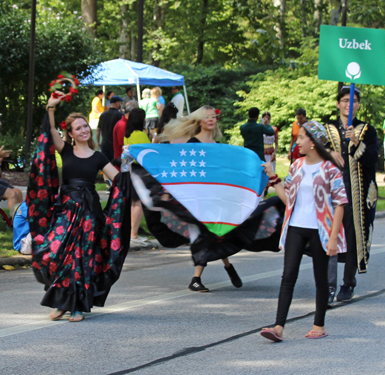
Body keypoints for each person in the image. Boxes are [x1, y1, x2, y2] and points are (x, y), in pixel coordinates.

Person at [27, 91, 131, 322]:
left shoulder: (98, 157)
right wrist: (51, 107)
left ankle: (76, 306)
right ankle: (62, 302)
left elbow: (118, 180)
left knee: (82, 257)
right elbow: (49, 132)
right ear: (71, 133)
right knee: (60, 253)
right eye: (78, 128)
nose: (84, 130)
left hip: (89, 211)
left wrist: (126, 163)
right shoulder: (65, 150)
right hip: (66, 210)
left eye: (85, 126)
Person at [259, 121, 347, 342]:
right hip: (296, 227)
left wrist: (334, 238)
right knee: (288, 276)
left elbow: (340, 204)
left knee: (320, 278)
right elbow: (288, 199)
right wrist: (273, 177)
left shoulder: (330, 169)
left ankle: (319, 325)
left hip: (321, 229)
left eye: (301, 138)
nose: (297, 142)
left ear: (314, 142)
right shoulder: (296, 165)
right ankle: (278, 327)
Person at [162, 106, 242, 292]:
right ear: (199, 121)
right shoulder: (192, 144)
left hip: (218, 197)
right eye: (207, 117)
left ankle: (228, 266)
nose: (211, 120)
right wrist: (169, 191)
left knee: (218, 232)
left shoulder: (218, 145)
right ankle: (196, 278)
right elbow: (183, 171)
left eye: (214, 117)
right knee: (208, 234)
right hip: (200, 198)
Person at [324, 86, 379, 304]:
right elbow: (310, 150)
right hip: (331, 190)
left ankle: (348, 283)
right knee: (331, 235)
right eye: (345, 100)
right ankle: (328, 285)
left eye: (354, 101)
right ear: (338, 103)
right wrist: (330, 152)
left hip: (358, 191)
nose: (349, 104)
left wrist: (356, 142)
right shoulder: (326, 127)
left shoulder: (367, 130)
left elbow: (372, 159)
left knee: (355, 235)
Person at [124, 108, 151, 248]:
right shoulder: (141, 134)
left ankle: (131, 233)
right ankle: (133, 234)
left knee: (133, 203)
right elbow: (149, 152)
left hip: (130, 169)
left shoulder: (127, 134)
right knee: (138, 204)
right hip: (140, 170)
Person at [97, 95, 124, 171]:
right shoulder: (120, 115)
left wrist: (98, 142)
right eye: (120, 103)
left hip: (104, 144)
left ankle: (107, 182)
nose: (121, 104)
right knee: (116, 167)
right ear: (117, 103)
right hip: (115, 146)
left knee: (106, 167)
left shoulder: (103, 114)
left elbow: (98, 129)